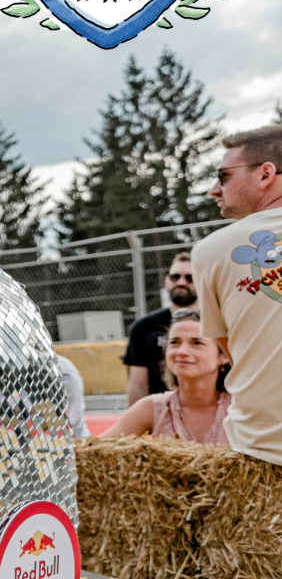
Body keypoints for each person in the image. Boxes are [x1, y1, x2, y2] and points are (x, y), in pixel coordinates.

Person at [196, 125, 282, 464]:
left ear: (265, 174)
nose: (214, 190)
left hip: (265, 448)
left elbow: (236, 353)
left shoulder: (212, 250)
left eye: (224, 176)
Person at [108, 311, 231, 446]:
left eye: (197, 343)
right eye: (174, 342)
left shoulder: (238, 408)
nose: (182, 352)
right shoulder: (154, 408)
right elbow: (97, 448)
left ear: (224, 355)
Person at [123, 253, 198, 403]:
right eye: (175, 277)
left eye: (190, 278)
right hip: (161, 410)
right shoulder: (143, 327)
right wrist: (138, 417)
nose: (181, 282)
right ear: (167, 281)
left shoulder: (216, 323)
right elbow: (138, 385)